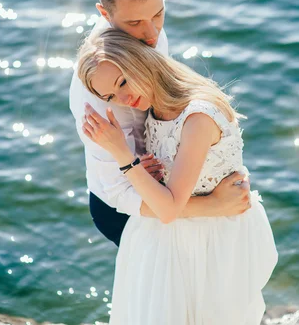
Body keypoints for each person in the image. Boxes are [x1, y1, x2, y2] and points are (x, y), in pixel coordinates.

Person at [77, 29, 278, 324]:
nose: (124, 99)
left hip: (211, 243)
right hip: (175, 242)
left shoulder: (197, 117)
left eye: (122, 82)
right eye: (110, 96)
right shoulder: (155, 108)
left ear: (139, 60)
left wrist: (122, 154)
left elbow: (169, 209)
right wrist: (149, 174)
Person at [69, 0, 252, 247]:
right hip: (127, 211)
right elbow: (117, 190)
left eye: (158, 14)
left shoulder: (148, 35)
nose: (152, 32)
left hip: (165, 191)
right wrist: (213, 206)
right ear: (106, 14)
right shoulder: (95, 93)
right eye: (136, 22)